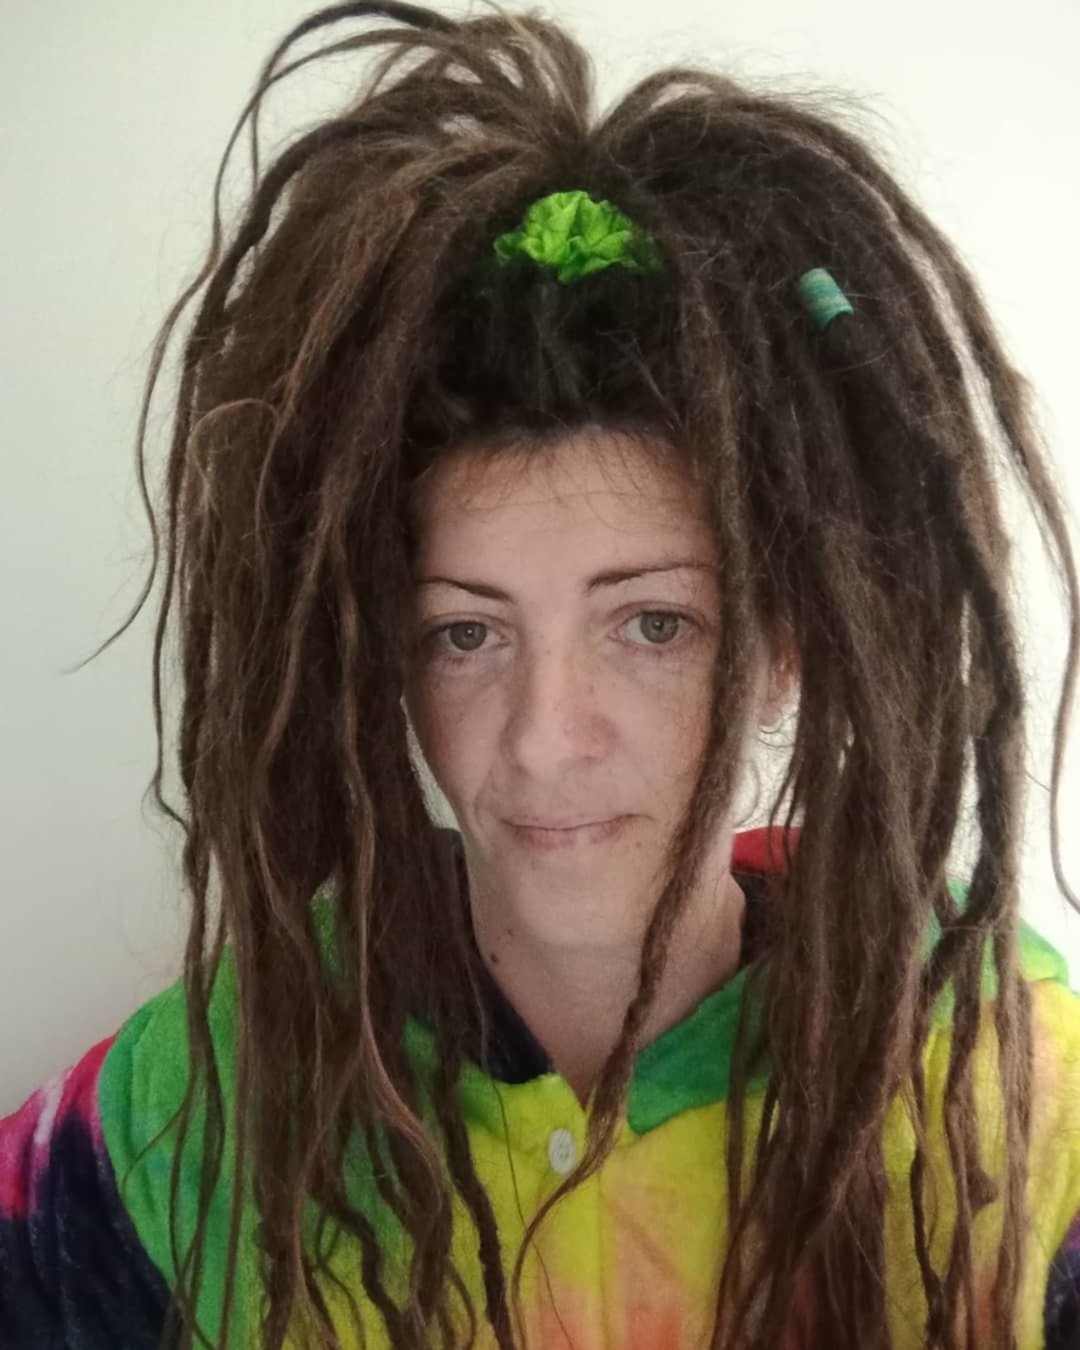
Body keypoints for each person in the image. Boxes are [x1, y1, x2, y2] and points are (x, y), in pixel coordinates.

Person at [2, 1, 1079, 1346]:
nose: (545, 737)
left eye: (653, 625)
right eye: (468, 633)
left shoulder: (993, 1068)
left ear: (783, 646)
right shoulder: (224, 1086)